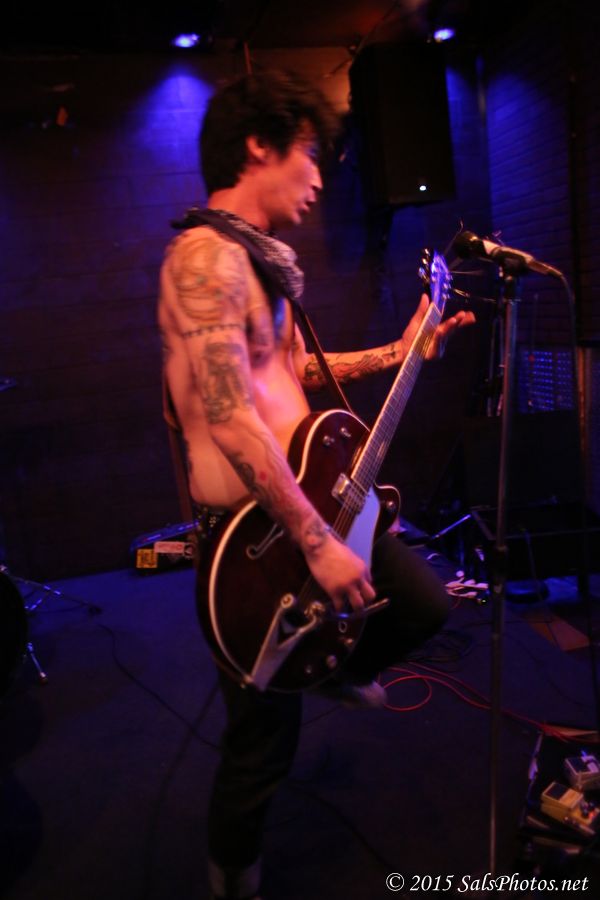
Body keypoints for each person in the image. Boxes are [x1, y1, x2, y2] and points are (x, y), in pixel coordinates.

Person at [158, 70, 475, 900]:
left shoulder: (259, 266)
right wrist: (315, 540)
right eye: (308, 152)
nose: (320, 178)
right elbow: (231, 415)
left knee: (422, 603)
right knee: (260, 749)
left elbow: (291, 371)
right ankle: (233, 878)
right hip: (254, 542)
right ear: (259, 146)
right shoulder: (205, 259)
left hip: (308, 505)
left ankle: (331, 665)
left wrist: (402, 349)